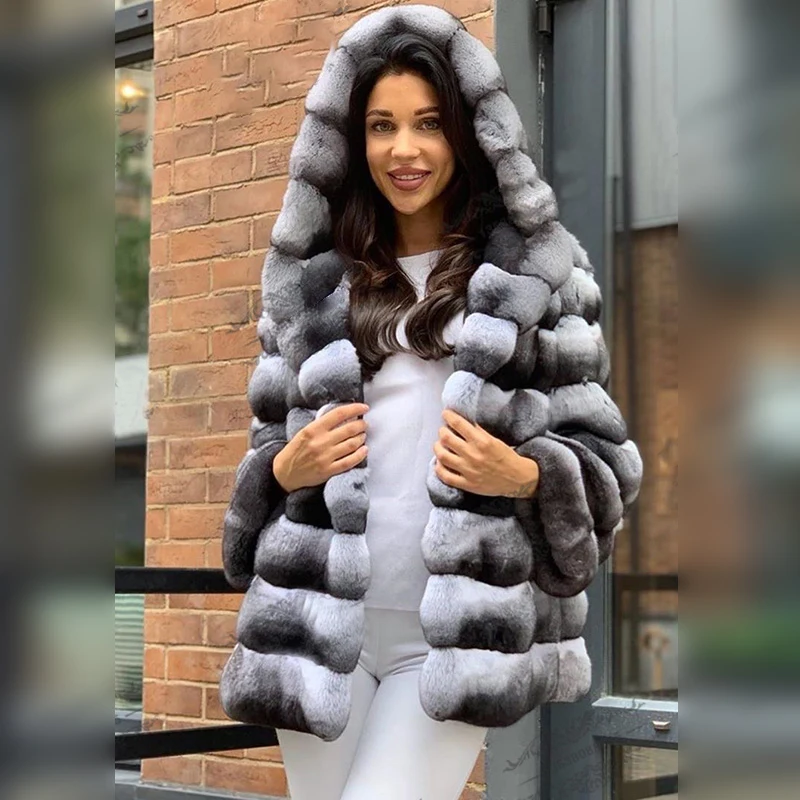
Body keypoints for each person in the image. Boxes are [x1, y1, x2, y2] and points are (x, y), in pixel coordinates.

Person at [219, 6, 642, 800]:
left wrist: (526, 477)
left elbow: (610, 467)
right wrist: (281, 471)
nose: (403, 150)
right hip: (316, 628)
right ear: (353, 143)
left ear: (469, 136)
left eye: (428, 124)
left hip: (454, 639)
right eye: (381, 126)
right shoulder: (309, 291)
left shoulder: (538, 284)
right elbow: (265, 458)